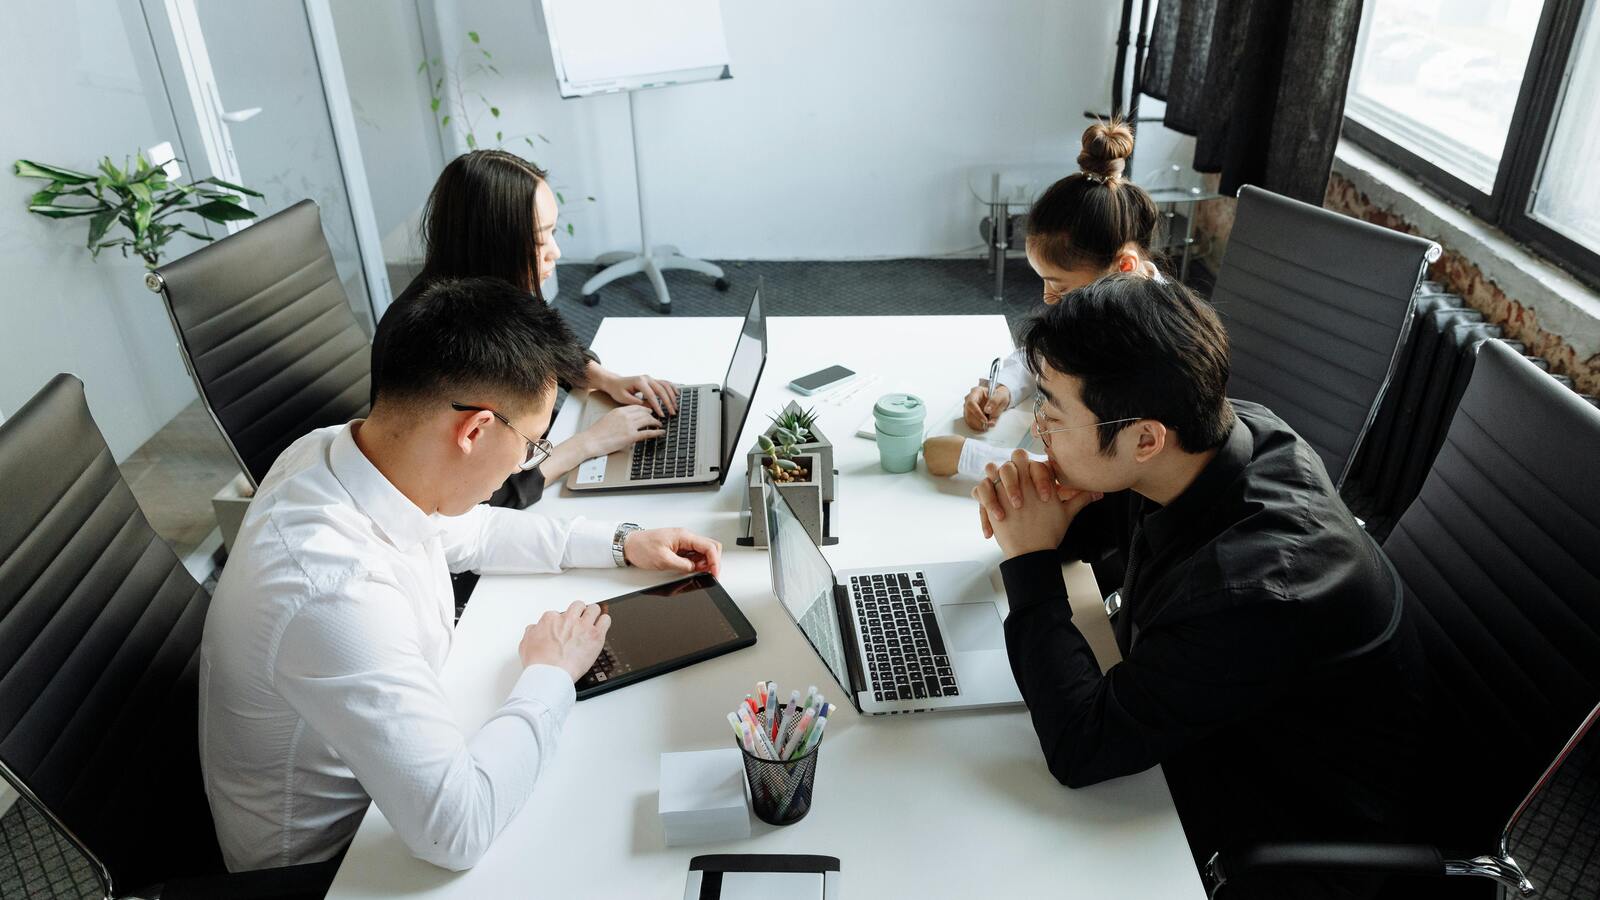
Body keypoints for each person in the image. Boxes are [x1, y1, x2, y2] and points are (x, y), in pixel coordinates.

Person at [200, 276, 723, 873]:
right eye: (533, 445)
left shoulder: (335, 454)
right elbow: (457, 831)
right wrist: (552, 673)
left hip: (394, 779)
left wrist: (624, 542)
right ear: (474, 430)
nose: (528, 463)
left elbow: (471, 532)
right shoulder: (334, 594)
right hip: (342, 864)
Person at [973, 275, 1424, 899]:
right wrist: (1049, 511)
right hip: (1222, 717)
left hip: (1281, 814)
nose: (1038, 428)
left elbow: (1081, 748)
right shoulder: (1224, 438)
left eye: (1051, 412)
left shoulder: (1253, 591)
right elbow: (1100, 526)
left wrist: (1029, 561)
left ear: (1145, 438)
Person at [375, 149, 677, 506]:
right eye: (538, 239)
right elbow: (484, 496)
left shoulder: (485, 292)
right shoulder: (445, 341)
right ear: (493, 243)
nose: (555, 252)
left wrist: (606, 379)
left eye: (553, 232)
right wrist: (588, 444)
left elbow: (543, 346)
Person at [924, 119, 1160, 478]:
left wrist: (969, 457)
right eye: (1043, 281)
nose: (1049, 299)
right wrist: (1005, 386)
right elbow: (1048, 355)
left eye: (1060, 287)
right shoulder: (1110, 300)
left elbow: (1098, 474)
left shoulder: (1147, 347)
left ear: (1123, 266)